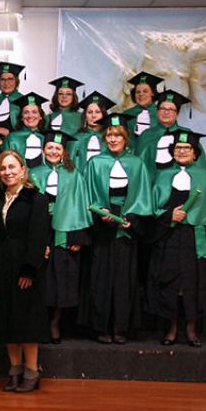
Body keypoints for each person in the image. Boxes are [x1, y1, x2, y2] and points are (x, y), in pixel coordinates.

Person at [146, 130, 206, 347]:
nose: (182, 151)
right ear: (172, 152)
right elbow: (151, 211)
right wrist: (168, 216)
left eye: (187, 148)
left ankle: (191, 329)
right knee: (169, 282)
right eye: (178, 148)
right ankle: (171, 329)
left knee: (194, 283)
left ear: (195, 153)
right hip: (168, 237)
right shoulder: (162, 176)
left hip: (195, 238)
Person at [81, 114, 154, 345]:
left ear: (126, 138)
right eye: (110, 135)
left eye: (118, 135)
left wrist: (131, 218)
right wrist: (101, 212)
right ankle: (101, 326)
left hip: (127, 225)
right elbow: (88, 194)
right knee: (100, 278)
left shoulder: (137, 163)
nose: (113, 139)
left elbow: (142, 196)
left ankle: (121, 327)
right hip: (102, 226)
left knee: (125, 279)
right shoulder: (95, 163)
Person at [0, 150, 50, 393]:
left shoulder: (36, 199)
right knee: (7, 320)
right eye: (3, 168)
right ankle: (14, 371)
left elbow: (39, 236)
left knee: (26, 322)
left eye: (12, 167)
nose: (8, 172)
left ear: (23, 170)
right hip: (3, 265)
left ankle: (32, 372)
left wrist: (29, 270)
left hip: (26, 267)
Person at [29, 130, 93, 344]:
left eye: (57, 148)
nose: (53, 151)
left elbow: (81, 205)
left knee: (62, 278)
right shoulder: (34, 173)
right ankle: (40, 322)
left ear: (64, 151)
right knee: (41, 277)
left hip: (66, 230)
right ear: (43, 150)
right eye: (50, 148)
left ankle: (56, 322)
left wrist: (78, 237)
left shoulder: (74, 174)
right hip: (41, 228)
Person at [135, 89, 206, 180]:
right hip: (152, 183)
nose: (166, 112)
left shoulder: (187, 134)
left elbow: (199, 166)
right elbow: (139, 167)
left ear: (177, 113)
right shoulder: (146, 135)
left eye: (171, 109)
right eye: (163, 108)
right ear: (157, 111)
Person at [68, 91, 115, 173]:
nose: (93, 116)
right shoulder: (75, 138)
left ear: (103, 115)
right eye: (89, 112)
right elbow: (70, 165)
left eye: (97, 112)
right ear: (85, 116)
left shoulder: (111, 138)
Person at [1, 92, 48, 169]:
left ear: (41, 116)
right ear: (21, 117)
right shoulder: (11, 138)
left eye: (34, 112)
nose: (30, 116)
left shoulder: (47, 138)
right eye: (26, 112)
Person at [122, 71, 162, 138]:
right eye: (138, 92)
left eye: (145, 91)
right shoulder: (126, 115)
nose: (141, 94)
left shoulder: (162, 114)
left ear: (153, 93)